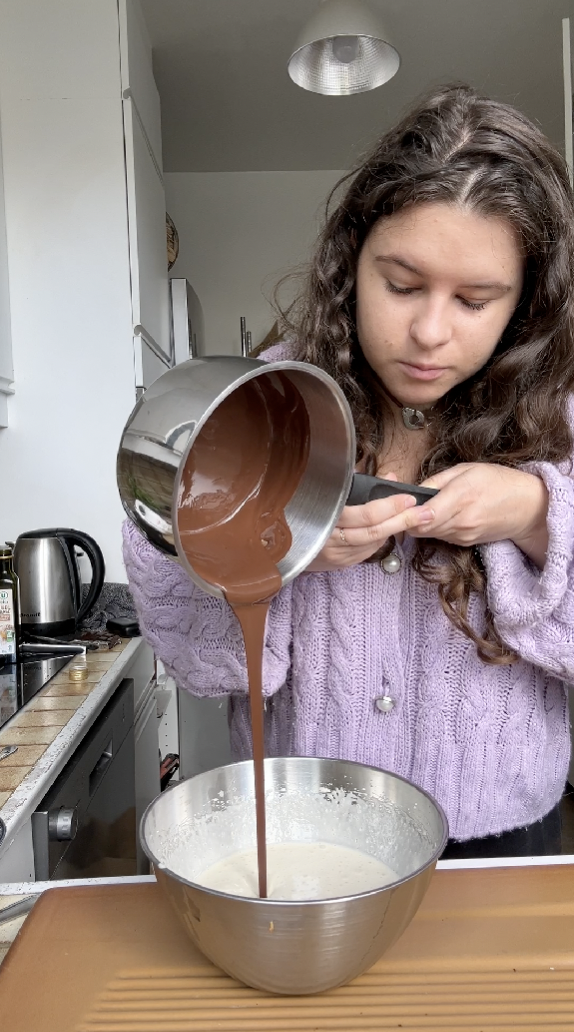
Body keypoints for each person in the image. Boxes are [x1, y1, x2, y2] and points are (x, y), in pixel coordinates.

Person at [124, 84, 574, 858]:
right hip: (306, 825)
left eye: (475, 299)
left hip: (501, 834)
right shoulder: (269, 398)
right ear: (350, 260)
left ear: (525, 303)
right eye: (399, 285)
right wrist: (279, 550)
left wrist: (534, 515)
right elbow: (171, 590)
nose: (429, 332)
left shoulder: (557, 415)